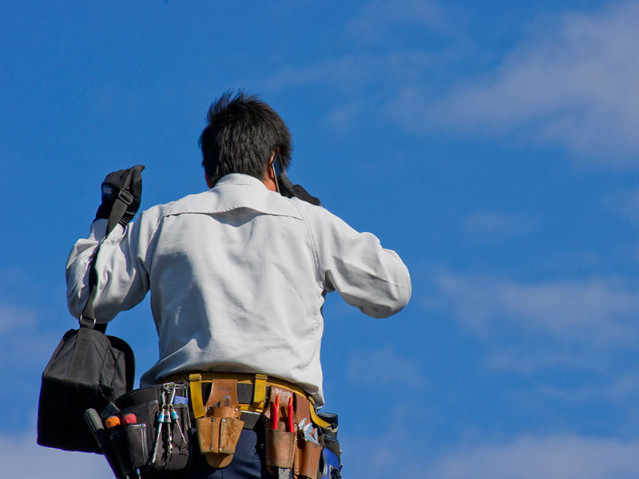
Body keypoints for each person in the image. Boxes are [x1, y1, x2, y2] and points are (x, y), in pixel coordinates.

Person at [66, 91, 411, 478]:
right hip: (279, 446)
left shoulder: (162, 222)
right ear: (274, 160)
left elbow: (87, 296)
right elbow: (392, 290)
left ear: (209, 170)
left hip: (178, 444)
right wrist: (312, 212)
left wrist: (107, 224)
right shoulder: (309, 223)